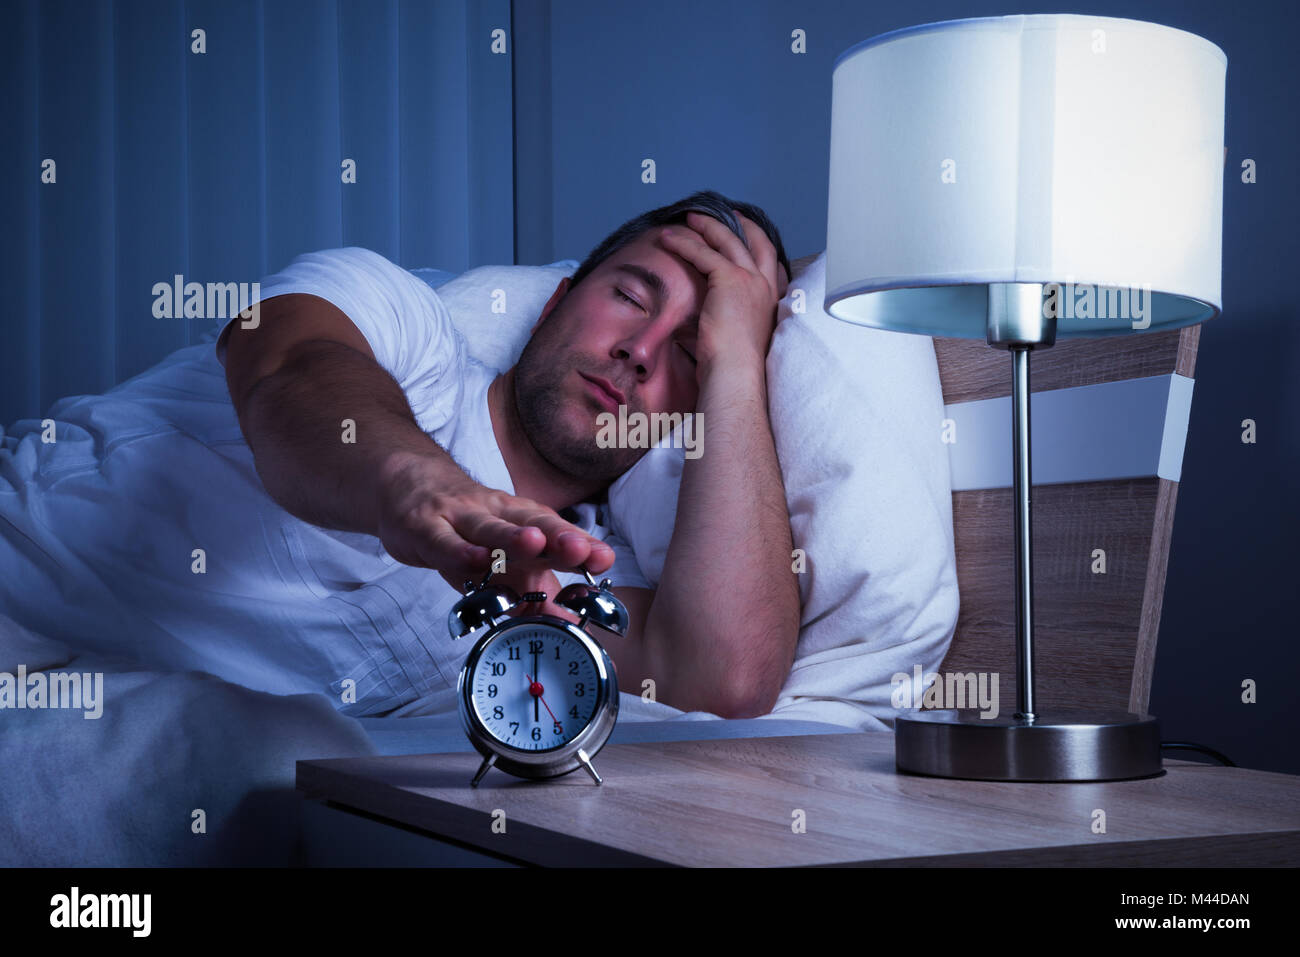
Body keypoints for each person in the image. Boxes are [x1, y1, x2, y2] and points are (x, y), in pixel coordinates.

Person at [0, 190, 800, 719]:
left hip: (102, 727)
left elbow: (723, 676)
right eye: (630, 295)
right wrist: (411, 482)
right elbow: (288, 368)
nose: (637, 352)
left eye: (689, 354)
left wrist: (736, 368)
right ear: (557, 298)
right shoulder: (405, 326)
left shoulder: (584, 572)